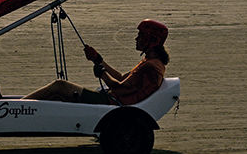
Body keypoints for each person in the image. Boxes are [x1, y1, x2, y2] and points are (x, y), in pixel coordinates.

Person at [23, 19, 169, 105]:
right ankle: (22, 105)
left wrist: (102, 73)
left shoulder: (151, 67)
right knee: (57, 96)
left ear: (150, 39)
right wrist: (99, 60)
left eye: (140, 36)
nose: (136, 39)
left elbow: (119, 88)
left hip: (110, 102)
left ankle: (17, 107)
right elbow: (120, 77)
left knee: (60, 85)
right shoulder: (152, 62)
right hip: (110, 98)